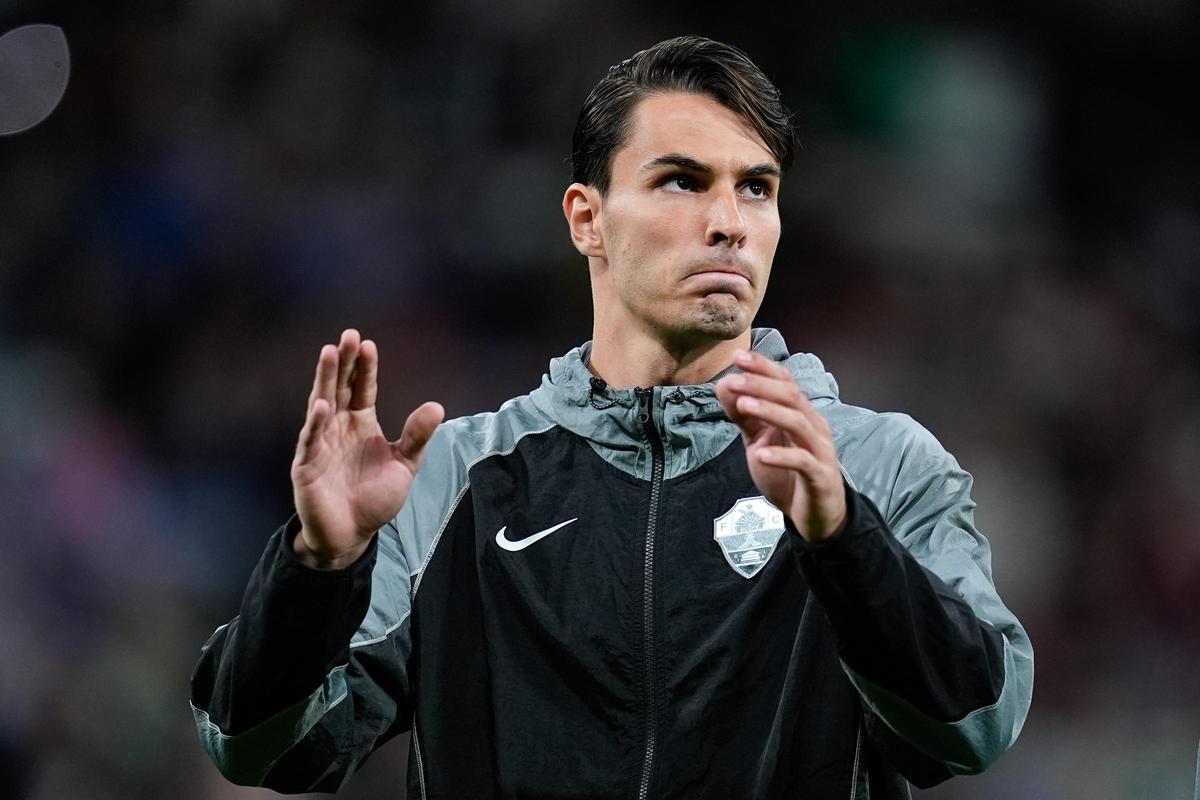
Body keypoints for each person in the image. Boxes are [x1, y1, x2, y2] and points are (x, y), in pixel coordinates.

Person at [190, 35, 1033, 798]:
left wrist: (845, 539)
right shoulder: (457, 479)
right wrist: (316, 569)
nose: (729, 223)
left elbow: (973, 728)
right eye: (682, 181)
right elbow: (262, 751)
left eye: (756, 188)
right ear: (586, 219)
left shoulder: (875, 465)